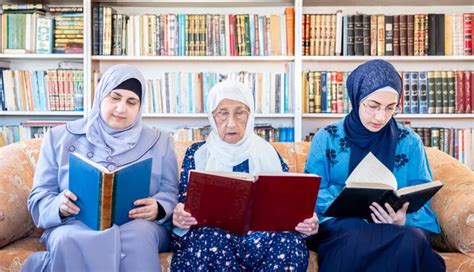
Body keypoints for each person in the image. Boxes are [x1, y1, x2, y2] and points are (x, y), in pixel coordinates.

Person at [22, 64, 179, 271]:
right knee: (67, 239)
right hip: (75, 223)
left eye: (132, 102)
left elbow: (171, 191)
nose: (122, 108)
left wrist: (158, 208)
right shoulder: (58, 137)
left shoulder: (161, 141)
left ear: (140, 107)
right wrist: (59, 205)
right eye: (115, 97)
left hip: (138, 224)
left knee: (140, 236)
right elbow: (39, 196)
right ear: (100, 96)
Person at [304, 59, 446, 272]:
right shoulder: (327, 137)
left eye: (390, 108)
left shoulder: (409, 141)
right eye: (373, 106)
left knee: (412, 240)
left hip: (399, 228)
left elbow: (422, 198)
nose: (381, 117)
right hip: (344, 225)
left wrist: (402, 219)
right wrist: (345, 204)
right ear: (356, 98)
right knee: (352, 233)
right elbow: (311, 191)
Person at [170, 80, 319, 271]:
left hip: (262, 236)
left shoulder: (269, 153)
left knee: (289, 241)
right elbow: (185, 206)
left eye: (240, 113)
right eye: (222, 113)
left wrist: (306, 223)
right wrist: (181, 216)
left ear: (250, 115)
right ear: (212, 116)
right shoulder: (197, 153)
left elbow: (289, 208)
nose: (231, 123)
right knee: (209, 239)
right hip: (214, 235)